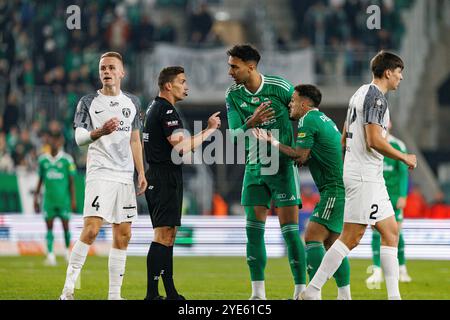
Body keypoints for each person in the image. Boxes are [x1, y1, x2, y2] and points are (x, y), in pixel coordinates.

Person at [301, 51, 417, 300]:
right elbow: (375, 140)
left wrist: (347, 159)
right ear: (388, 72)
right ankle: (313, 290)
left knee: (390, 232)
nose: (401, 77)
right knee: (350, 238)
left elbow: (345, 133)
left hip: (365, 174)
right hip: (365, 176)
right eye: (399, 72)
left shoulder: (360, 92)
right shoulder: (376, 98)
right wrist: (403, 156)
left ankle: (394, 297)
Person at [59, 51, 147, 300]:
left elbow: (135, 140)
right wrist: (98, 133)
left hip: (124, 176)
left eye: (111, 68)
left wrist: (141, 172)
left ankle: (114, 295)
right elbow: (78, 139)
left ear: (121, 72)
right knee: (91, 229)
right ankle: (67, 290)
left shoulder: (133, 102)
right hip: (100, 172)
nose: (106, 72)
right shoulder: (87, 102)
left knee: (124, 234)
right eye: (102, 68)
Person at [253, 84, 351, 300]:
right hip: (337, 188)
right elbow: (309, 156)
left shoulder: (308, 120)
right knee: (334, 244)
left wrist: (273, 141)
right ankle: (344, 295)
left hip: (333, 190)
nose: (291, 104)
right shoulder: (323, 119)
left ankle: (313, 295)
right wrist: (303, 157)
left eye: (294, 100)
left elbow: (300, 155)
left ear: (305, 104)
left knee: (312, 236)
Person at [226, 44, 306, 300]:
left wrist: (302, 147)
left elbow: (303, 113)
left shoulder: (280, 87)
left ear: (251, 66)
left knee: (291, 232)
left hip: (282, 167)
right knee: (253, 231)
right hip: (254, 167)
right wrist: (251, 122)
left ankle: (300, 290)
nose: (230, 71)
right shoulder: (233, 95)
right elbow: (234, 136)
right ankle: (258, 293)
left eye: (234, 66)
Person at [142, 66, 221, 300]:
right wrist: (209, 130)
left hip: (163, 175)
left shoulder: (156, 107)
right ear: (169, 85)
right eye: (182, 82)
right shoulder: (166, 110)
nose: (186, 86)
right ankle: (151, 294)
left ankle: (169, 292)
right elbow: (181, 147)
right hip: (163, 176)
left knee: (168, 235)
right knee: (162, 235)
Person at [366, 122, 412, 284]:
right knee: (375, 232)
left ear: (390, 126)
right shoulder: (371, 142)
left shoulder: (398, 145)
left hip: (393, 196)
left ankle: (402, 269)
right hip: (376, 195)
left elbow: (403, 173)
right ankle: (377, 270)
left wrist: (403, 195)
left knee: (397, 232)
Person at [34, 131, 77, 266]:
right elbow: (40, 180)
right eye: (52, 140)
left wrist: (73, 200)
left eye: (56, 140)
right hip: (49, 201)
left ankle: (66, 252)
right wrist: (36, 198)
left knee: (65, 227)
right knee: (49, 228)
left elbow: (71, 182)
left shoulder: (67, 160)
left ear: (60, 142)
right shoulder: (43, 160)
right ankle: (51, 254)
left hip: (63, 200)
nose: (54, 143)